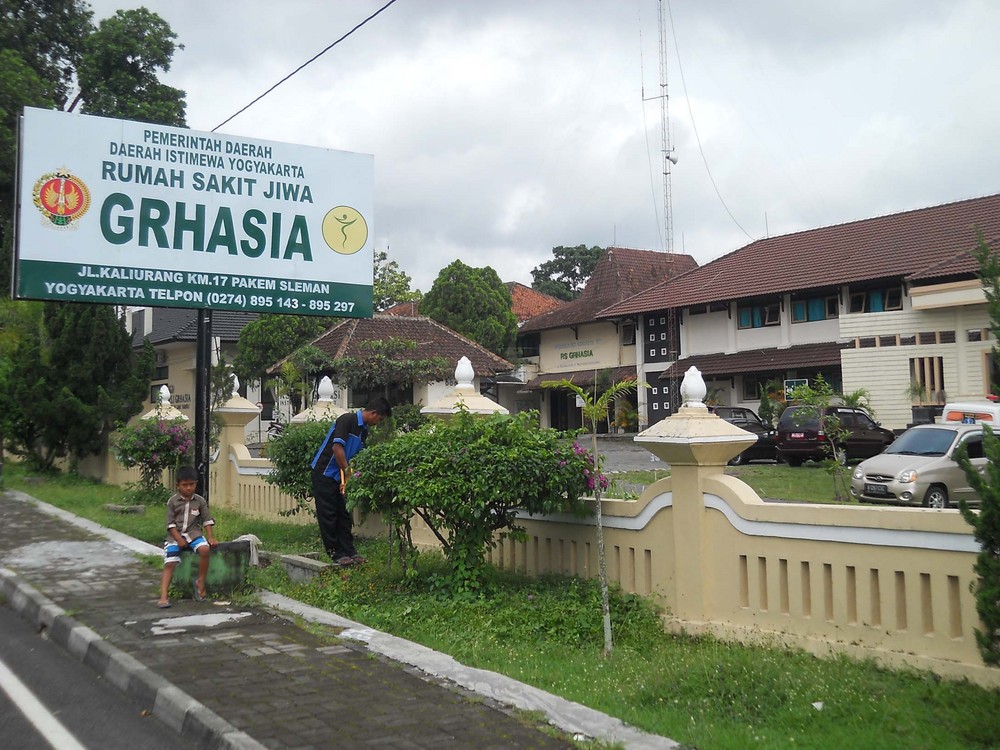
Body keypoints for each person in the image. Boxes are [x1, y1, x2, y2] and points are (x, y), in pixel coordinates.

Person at [311, 396, 391, 566]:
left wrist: (354, 476)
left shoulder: (364, 431)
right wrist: (348, 473)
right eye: (380, 419)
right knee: (329, 515)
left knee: (344, 514)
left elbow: (356, 455)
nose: (379, 422)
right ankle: (335, 553)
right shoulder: (347, 420)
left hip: (341, 476)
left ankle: (349, 551)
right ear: (374, 413)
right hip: (324, 473)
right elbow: (337, 448)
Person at [158, 465, 218, 608]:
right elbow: (170, 524)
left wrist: (210, 537)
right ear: (178, 485)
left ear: (196, 484)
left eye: (192, 484)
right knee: (170, 562)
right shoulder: (172, 502)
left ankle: (200, 581)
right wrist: (178, 539)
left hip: (194, 533)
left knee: (204, 549)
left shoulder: (200, 501)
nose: (189, 488)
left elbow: (207, 520)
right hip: (175, 536)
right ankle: (163, 596)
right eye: (185, 485)